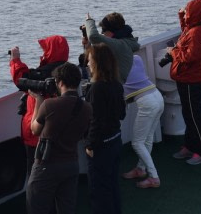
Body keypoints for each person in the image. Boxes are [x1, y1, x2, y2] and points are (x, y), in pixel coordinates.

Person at [27, 63, 92, 214]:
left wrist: (38, 101)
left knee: (36, 207)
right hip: (71, 164)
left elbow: (34, 129)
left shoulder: (49, 105)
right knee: (66, 209)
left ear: (60, 82)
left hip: (46, 166)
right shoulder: (87, 108)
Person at [9, 36, 70, 177]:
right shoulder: (68, 73)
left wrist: (15, 60)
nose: (43, 53)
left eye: (45, 50)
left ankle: (35, 197)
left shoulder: (42, 74)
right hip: (61, 136)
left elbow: (21, 79)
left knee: (35, 174)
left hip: (37, 135)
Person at [84, 44, 126, 214]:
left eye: (90, 60)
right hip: (115, 140)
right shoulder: (116, 84)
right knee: (113, 185)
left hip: (101, 146)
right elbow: (122, 114)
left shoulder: (96, 89)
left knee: (100, 191)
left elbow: (96, 120)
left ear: (97, 63)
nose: (87, 63)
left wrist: (90, 145)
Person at [167, 0, 201, 166]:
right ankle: (190, 146)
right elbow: (186, 33)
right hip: (185, 78)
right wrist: (181, 16)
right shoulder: (193, 29)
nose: (186, 12)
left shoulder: (197, 32)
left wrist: (173, 53)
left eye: (187, 10)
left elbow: (191, 56)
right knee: (188, 114)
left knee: (194, 116)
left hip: (191, 79)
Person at [120, 54, 164, 189]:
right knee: (147, 139)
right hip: (157, 95)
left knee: (137, 143)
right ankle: (140, 169)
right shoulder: (137, 58)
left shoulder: (117, 67)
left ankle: (154, 177)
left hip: (147, 103)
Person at [83, 12, 140, 83]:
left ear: (112, 31)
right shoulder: (124, 43)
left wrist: (89, 21)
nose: (102, 33)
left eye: (104, 30)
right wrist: (88, 45)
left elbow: (93, 36)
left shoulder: (120, 45)